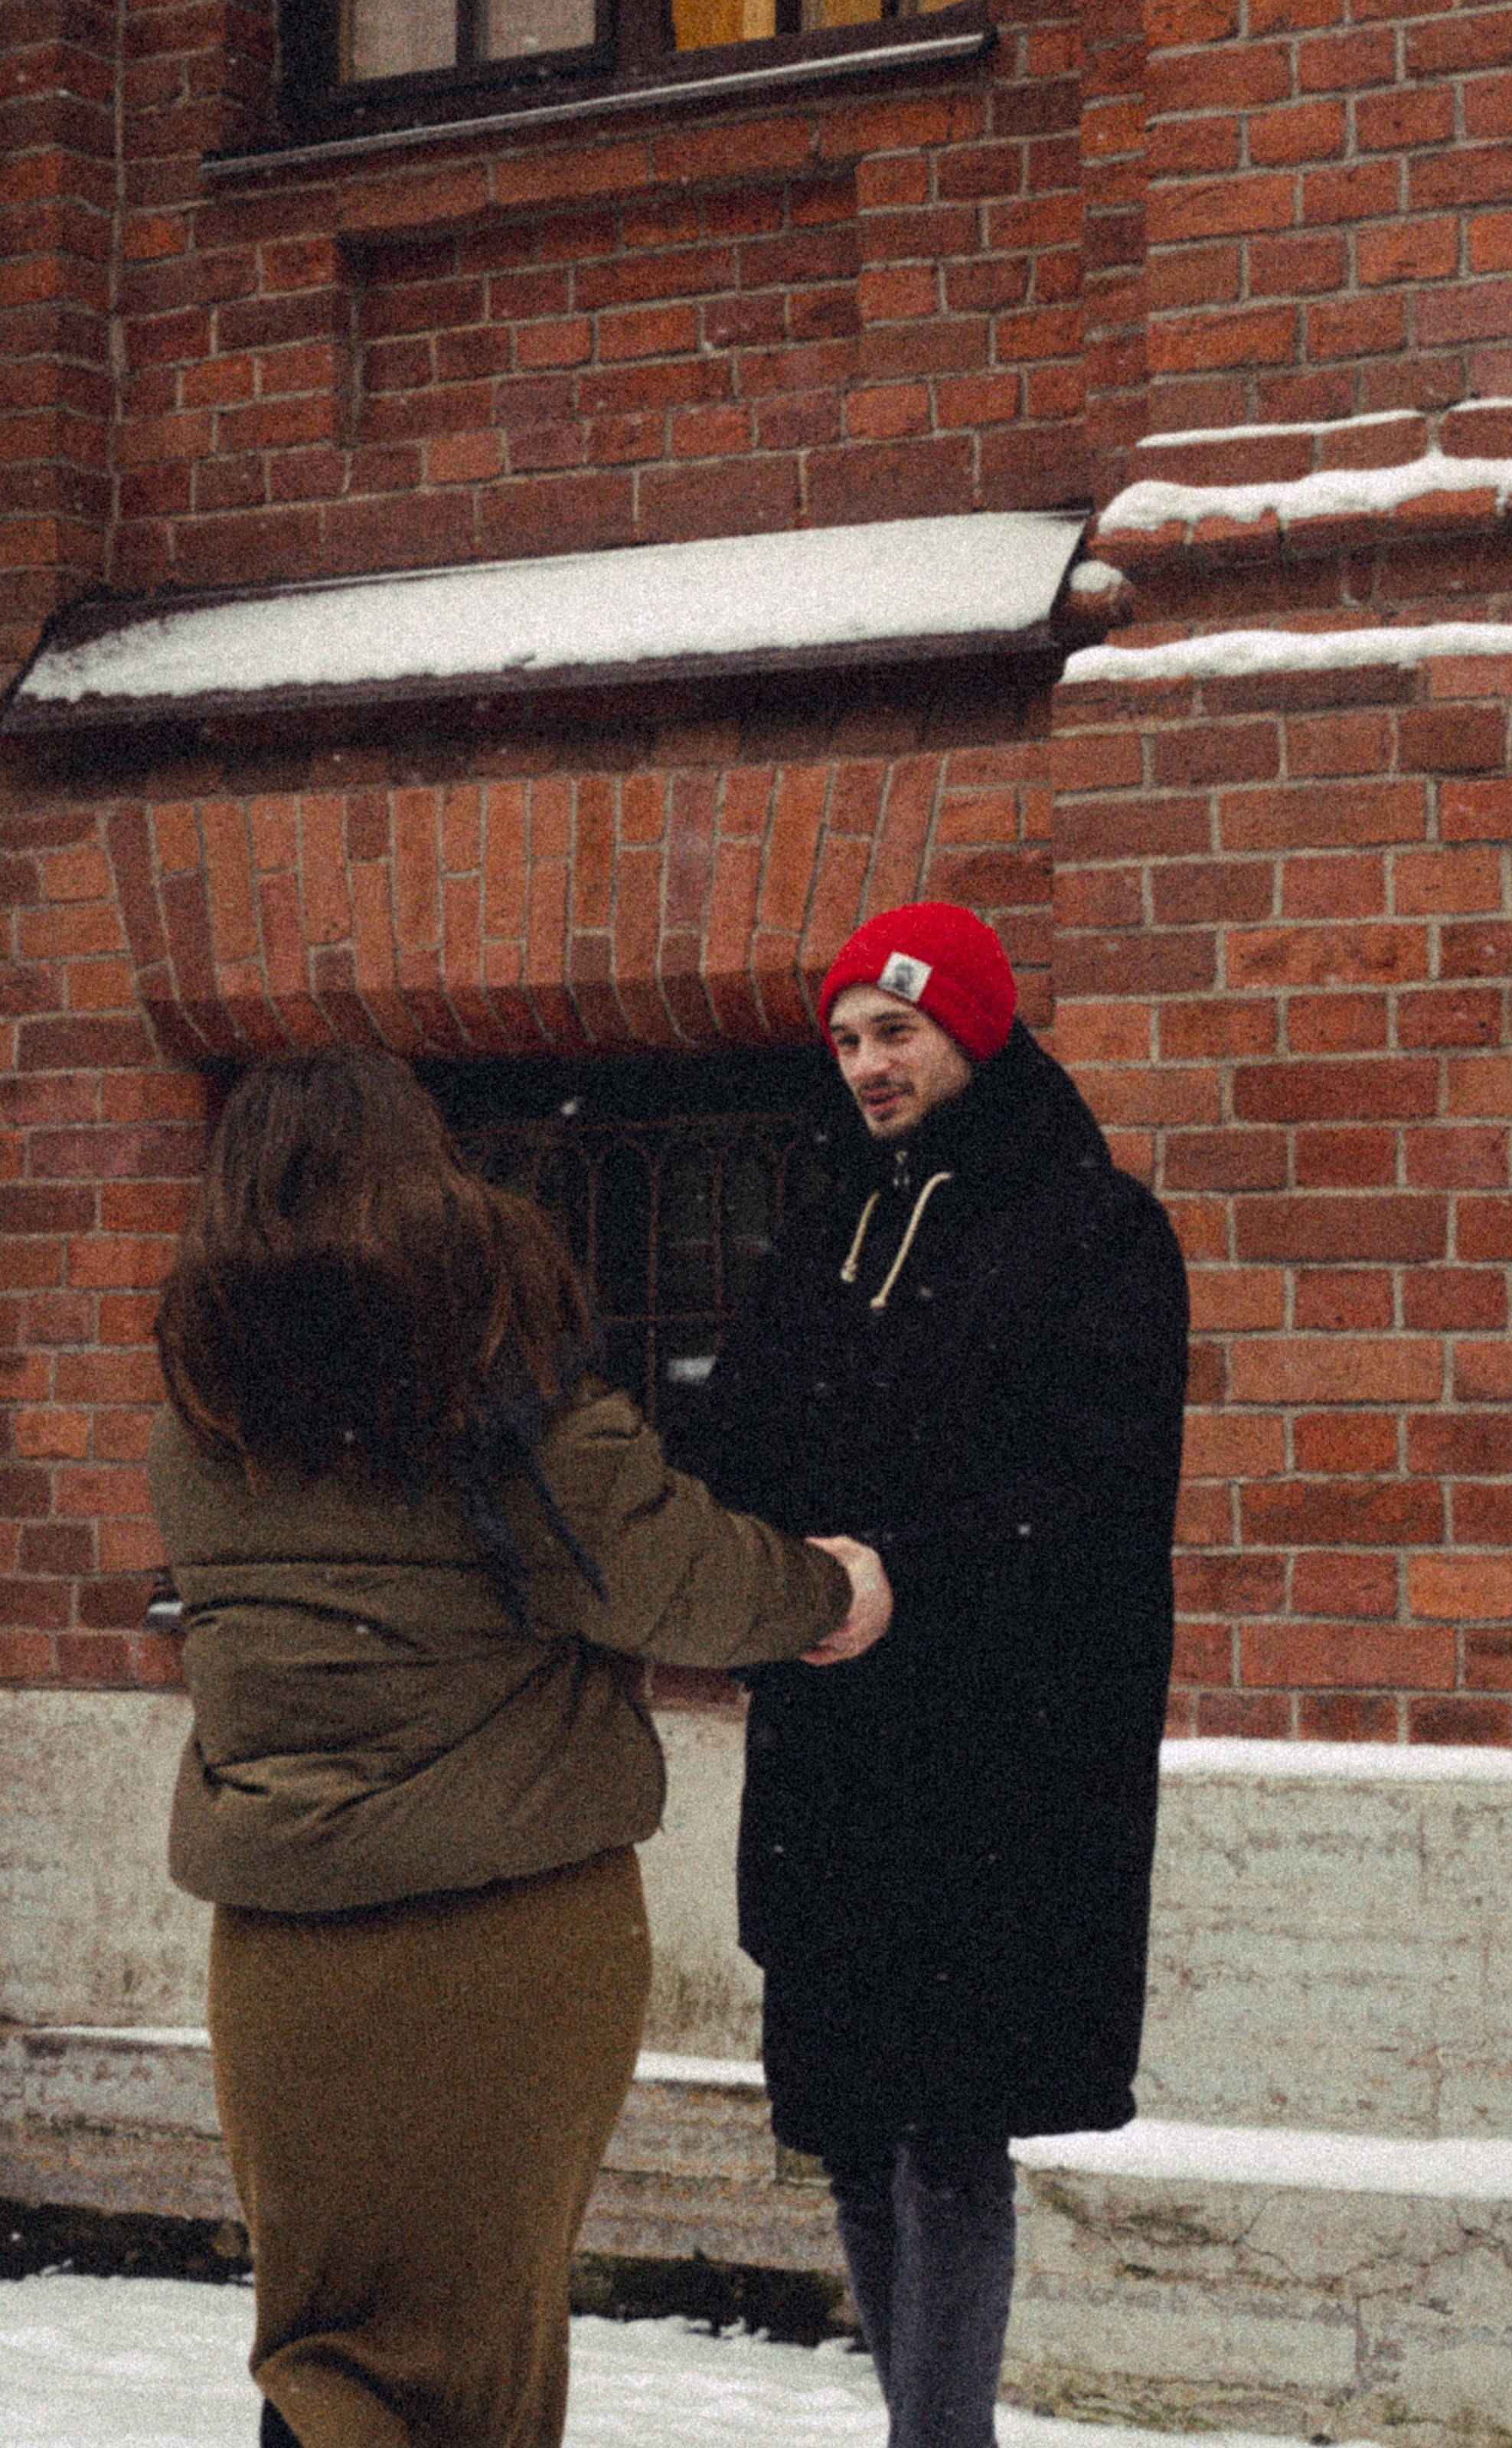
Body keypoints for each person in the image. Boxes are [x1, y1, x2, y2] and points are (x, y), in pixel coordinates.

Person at [145, 1045, 892, 2448]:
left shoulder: (201, 1423)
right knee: (474, 2371)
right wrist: (831, 1588)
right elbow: (661, 1573)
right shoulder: (484, 1391)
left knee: (327, 2362)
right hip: (497, 1945)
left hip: (279, 1953)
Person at [691, 900, 1189, 2448]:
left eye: (893, 1031)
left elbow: (1100, 1493)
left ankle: (940, 2436)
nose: (864, 1065)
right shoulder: (821, 1226)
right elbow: (745, 1445)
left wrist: (912, 1563)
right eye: (845, 1039)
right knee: (847, 2122)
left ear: (971, 1029)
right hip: (835, 1740)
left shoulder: (1092, 1229)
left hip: (999, 1751)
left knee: (951, 2134)